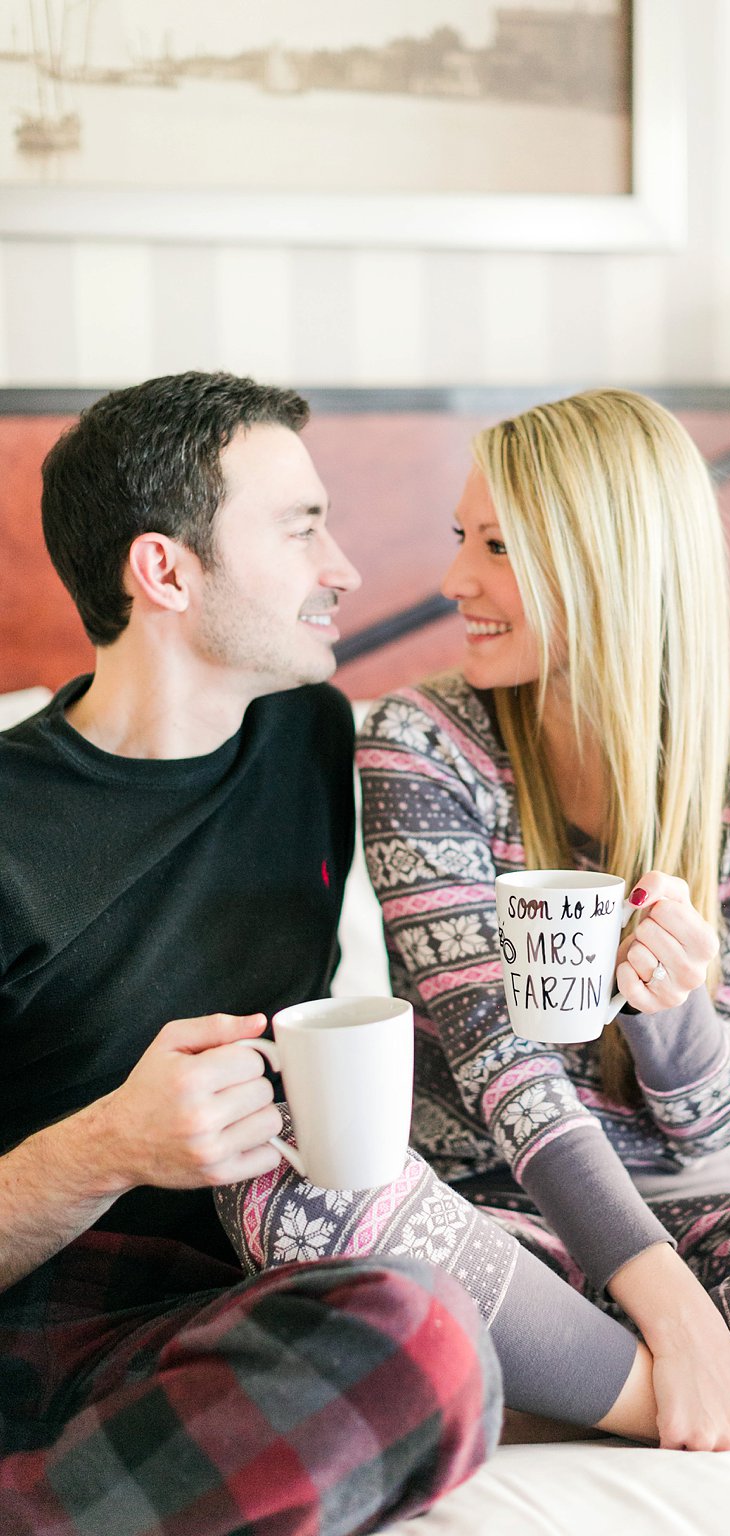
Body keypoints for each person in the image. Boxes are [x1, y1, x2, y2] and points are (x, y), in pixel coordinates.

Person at [215, 387, 730, 1457]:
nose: (455, 579)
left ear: (607, 564)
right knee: (272, 1175)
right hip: (478, 1217)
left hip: (697, 1225)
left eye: (498, 547)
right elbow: (501, 1061)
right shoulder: (420, 742)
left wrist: (674, 1015)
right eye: (464, 539)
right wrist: (683, 1330)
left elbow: (712, 1126)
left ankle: (543, 1381)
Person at [0, 372, 500, 1534]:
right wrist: (107, 1146)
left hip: (256, 1280)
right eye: (300, 527)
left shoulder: (310, 736)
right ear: (165, 570)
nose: (346, 570)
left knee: (446, 1319)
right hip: (49, 1306)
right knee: (420, 1341)